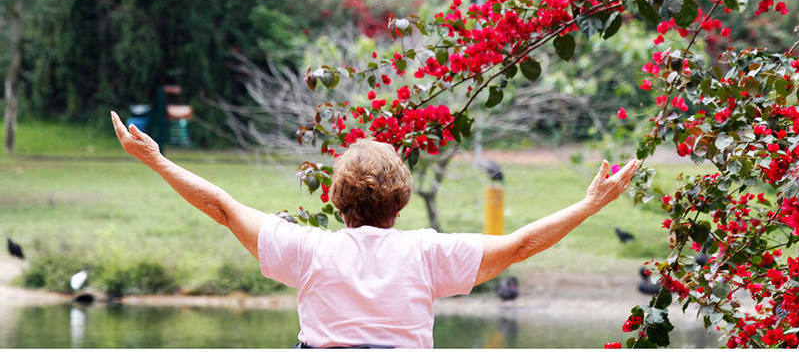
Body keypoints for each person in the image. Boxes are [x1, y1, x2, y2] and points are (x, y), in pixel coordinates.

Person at [110, 111, 641, 348]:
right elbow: (522, 244)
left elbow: (224, 207)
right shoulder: (428, 256)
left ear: (337, 201)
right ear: (402, 203)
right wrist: (589, 204)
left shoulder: (307, 250)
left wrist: (157, 161)